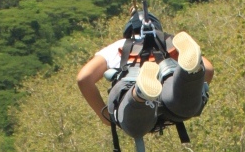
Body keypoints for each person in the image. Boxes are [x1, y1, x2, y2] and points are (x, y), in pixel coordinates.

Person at [76, 11, 214, 139]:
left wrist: (104, 115)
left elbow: (84, 78)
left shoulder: (121, 45)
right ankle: (190, 75)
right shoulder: (170, 42)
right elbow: (207, 69)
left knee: (135, 127)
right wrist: (195, 92)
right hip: (169, 89)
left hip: (129, 89)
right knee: (185, 105)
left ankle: (140, 94)